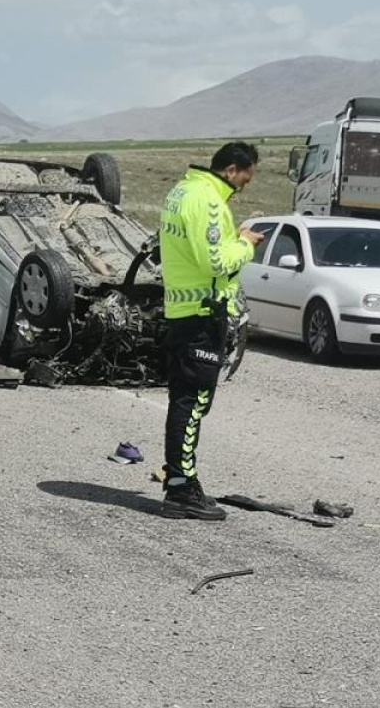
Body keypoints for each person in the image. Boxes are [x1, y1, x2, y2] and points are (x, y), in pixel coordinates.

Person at [156, 142, 266, 520]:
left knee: (186, 399)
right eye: (245, 179)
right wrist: (247, 245)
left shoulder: (182, 191)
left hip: (184, 309)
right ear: (233, 170)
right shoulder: (207, 200)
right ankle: (181, 489)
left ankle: (179, 481)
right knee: (191, 402)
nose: (244, 188)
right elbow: (216, 261)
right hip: (202, 313)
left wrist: (231, 236)